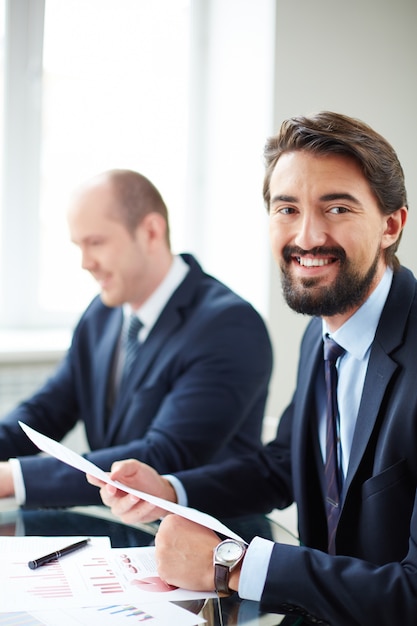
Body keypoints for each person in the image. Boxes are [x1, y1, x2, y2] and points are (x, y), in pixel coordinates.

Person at [88, 112, 417, 625]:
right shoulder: (324, 332)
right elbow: (283, 464)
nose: (307, 236)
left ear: (390, 226)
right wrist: (170, 490)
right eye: (287, 208)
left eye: (337, 208)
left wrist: (235, 565)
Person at [0, 169, 273, 509]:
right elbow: (45, 410)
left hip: (205, 540)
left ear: (151, 231)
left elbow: (165, 454)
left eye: (96, 242)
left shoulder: (229, 325)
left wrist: (13, 478)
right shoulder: (101, 314)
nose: (85, 263)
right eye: (78, 245)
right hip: (118, 532)